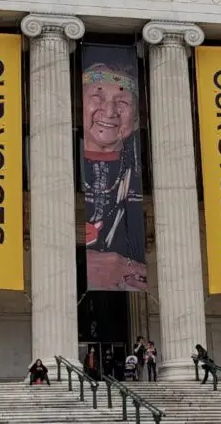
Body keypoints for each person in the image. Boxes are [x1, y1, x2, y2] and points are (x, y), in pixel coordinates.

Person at [81, 60, 147, 291]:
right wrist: (82, 266)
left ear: (136, 120)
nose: (109, 112)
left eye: (122, 103)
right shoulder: (54, 164)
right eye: (97, 98)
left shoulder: (138, 173)